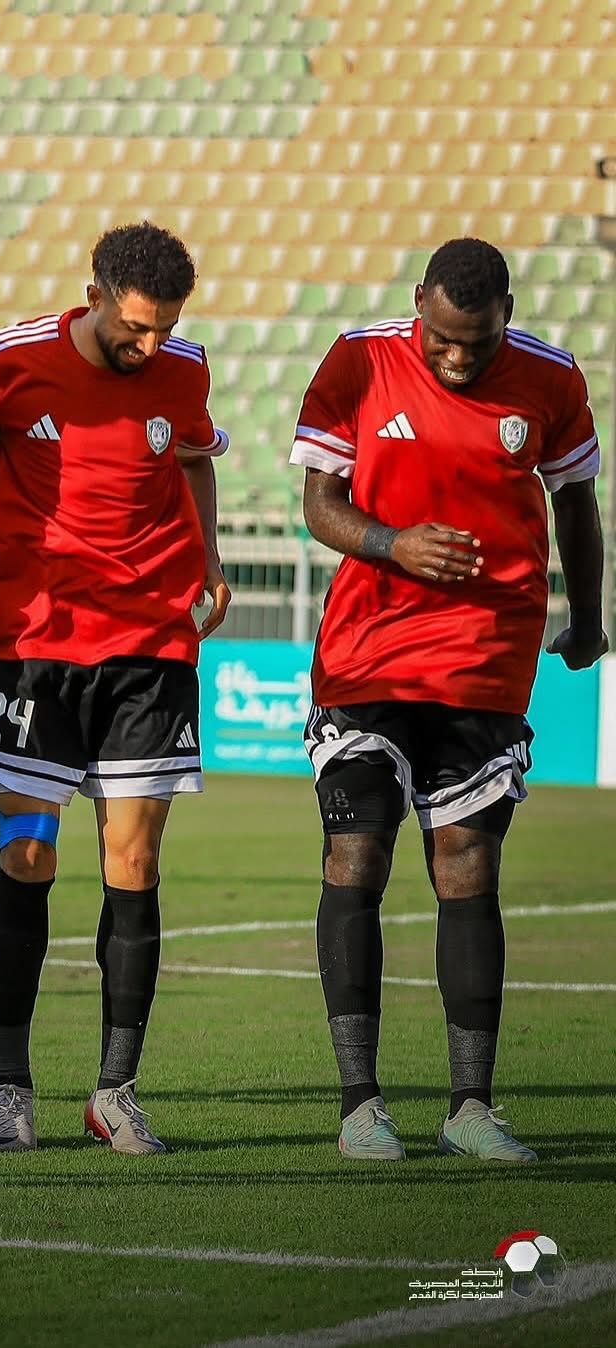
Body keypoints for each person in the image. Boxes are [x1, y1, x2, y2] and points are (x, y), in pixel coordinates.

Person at [289, 237, 606, 1163]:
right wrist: (391, 543)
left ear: (508, 314)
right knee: (356, 851)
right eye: (443, 338)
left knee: (467, 865)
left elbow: (576, 502)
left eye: (479, 341)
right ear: (419, 301)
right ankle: (360, 1106)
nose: (458, 357)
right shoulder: (359, 360)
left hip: (484, 659)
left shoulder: (551, 378)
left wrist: (589, 617)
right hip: (368, 654)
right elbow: (319, 502)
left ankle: (471, 1108)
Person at [0, 221, 231, 1155]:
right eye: (135, 327)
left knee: (134, 865)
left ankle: (115, 1092)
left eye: (165, 328)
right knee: (28, 857)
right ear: (95, 295)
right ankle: (10, 1089)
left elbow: (195, 458)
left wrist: (209, 558)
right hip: (37, 646)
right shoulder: (13, 355)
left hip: (151, 648)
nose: (150, 345)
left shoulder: (183, 370)